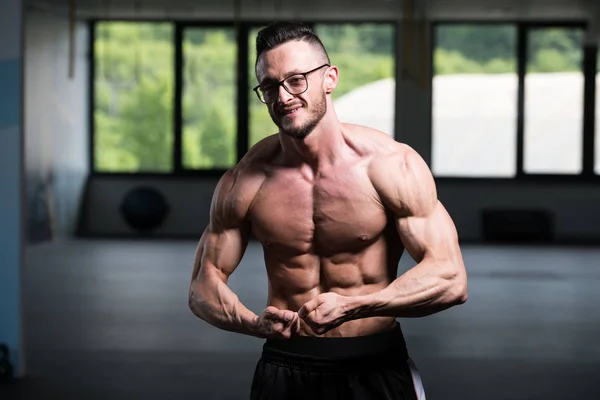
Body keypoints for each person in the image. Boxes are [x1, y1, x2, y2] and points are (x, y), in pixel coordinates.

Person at [188, 21, 468, 400]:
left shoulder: (389, 165)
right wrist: (252, 323)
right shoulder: (246, 179)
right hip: (285, 364)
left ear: (330, 78)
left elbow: (450, 279)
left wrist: (356, 306)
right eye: (269, 86)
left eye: (296, 80)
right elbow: (203, 286)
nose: (283, 96)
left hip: (373, 363)